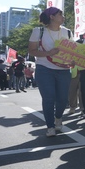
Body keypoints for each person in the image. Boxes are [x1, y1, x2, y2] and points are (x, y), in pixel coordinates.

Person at [28, 7, 73, 137]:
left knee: (63, 99)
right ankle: (50, 127)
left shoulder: (67, 32)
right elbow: (32, 51)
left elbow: (73, 51)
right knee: (48, 98)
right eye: (60, 14)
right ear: (52, 17)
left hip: (64, 70)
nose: (63, 17)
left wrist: (74, 60)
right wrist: (48, 53)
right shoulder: (39, 31)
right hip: (44, 69)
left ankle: (58, 117)